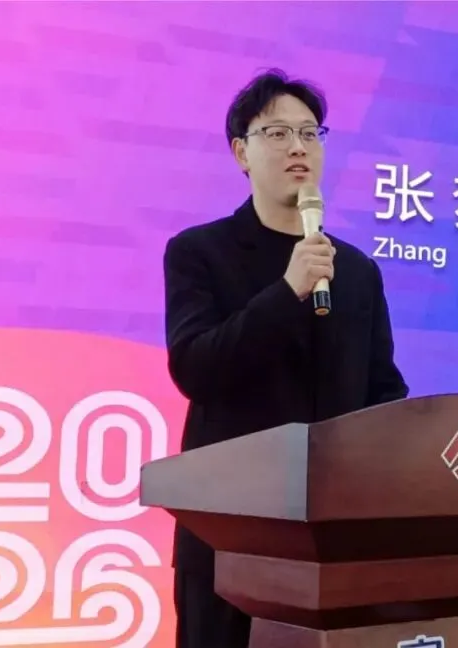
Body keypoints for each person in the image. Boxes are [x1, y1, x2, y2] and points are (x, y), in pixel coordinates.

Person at [161, 69, 409, 648]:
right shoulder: (200, 252)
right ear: (241, 153)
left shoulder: (356, 270)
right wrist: (287, 291)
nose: (298, 147)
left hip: (330, 541)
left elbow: (384, 390)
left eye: (309, 133)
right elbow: (195, 368)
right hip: (228, 540)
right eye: (277, 133)